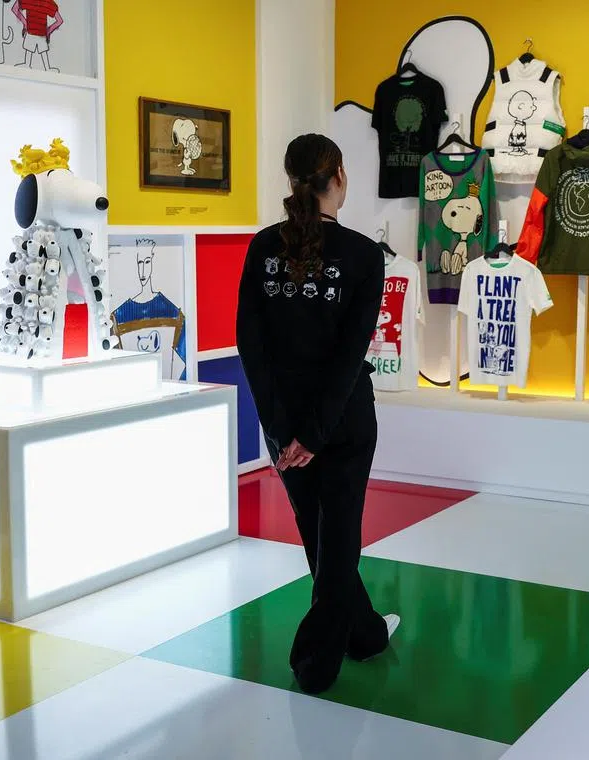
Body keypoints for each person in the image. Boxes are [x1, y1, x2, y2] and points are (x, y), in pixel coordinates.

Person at [236, 134, 400, 695]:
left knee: (319, 538)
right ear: (339, 177)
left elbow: (250, 347)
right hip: (344, 421)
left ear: (291, 181)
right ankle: (316, 661)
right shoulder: (362, 255)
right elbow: (350, 354)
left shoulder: (261, 249)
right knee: (337, 542)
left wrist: (284, 430)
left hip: (286, 425)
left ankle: (368, 633)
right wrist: (314, 431)